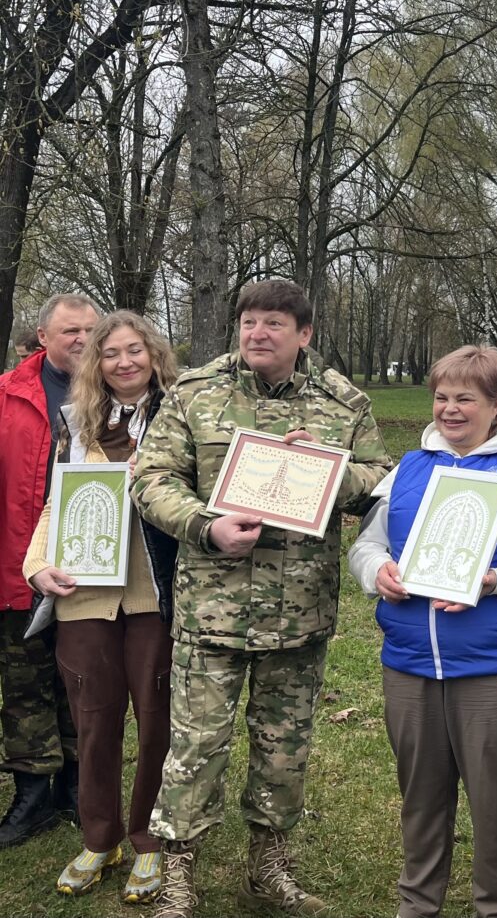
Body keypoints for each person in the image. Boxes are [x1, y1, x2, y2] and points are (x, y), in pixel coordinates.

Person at [132, 279, 392, 918]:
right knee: (196, 747)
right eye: (249, 321)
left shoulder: (341, 403)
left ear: (304, 334)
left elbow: (382, 480)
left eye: (274, 323)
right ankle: (178, 873)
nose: (258, 333)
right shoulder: (196, 393)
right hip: (212, 610)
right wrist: (206, 525)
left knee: (283, 748)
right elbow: (151, 478)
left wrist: (327, 469)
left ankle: (267, 868)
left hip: (297, 612)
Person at [348, 345, 497, 918]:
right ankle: (417, 905)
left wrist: (495, 580)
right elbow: (367, 544)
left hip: (496, 666)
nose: (450, 409)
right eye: (442, 397)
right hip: (410, 662)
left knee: (495, 803)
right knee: (420, 798)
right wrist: (377, 572)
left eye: (465, 399)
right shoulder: (408, 467)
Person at [22, 310, 178, 901]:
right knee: (93, 721)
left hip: (152, 595)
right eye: (110, 353)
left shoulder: (179, 417)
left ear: (153, 355)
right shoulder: (78, 423)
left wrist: (156, 479)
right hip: (84, 596)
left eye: (134, 350)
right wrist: (36, 565)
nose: (124, 362)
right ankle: (99, 838)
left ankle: (149, 839)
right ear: (96, 364)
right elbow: (55, 503)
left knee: (157, 717)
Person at [0, 293, 100, 847]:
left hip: (92, 566)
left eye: (90, 329)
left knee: (81, 679)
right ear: (43, 337)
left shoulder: (118, 393)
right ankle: (33, 793)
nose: (82, 339)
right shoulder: (8, 395)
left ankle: (78, 787)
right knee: (25, 683)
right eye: (70, 331)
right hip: (18, 566)